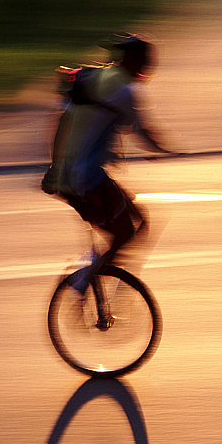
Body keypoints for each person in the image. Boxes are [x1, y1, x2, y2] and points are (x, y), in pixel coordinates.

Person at [43, 33, 172, 294]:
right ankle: (84, 280)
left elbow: (61, 120)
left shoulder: (93, 78)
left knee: (138, 222)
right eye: (147, 63)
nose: (148, 69)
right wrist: (163, 149)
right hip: (86, 179)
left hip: (73, 176)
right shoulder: (124, 90)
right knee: (127, 232)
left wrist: (55, 165)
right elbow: (143, 130)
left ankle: (93, 272)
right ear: (138, 64)